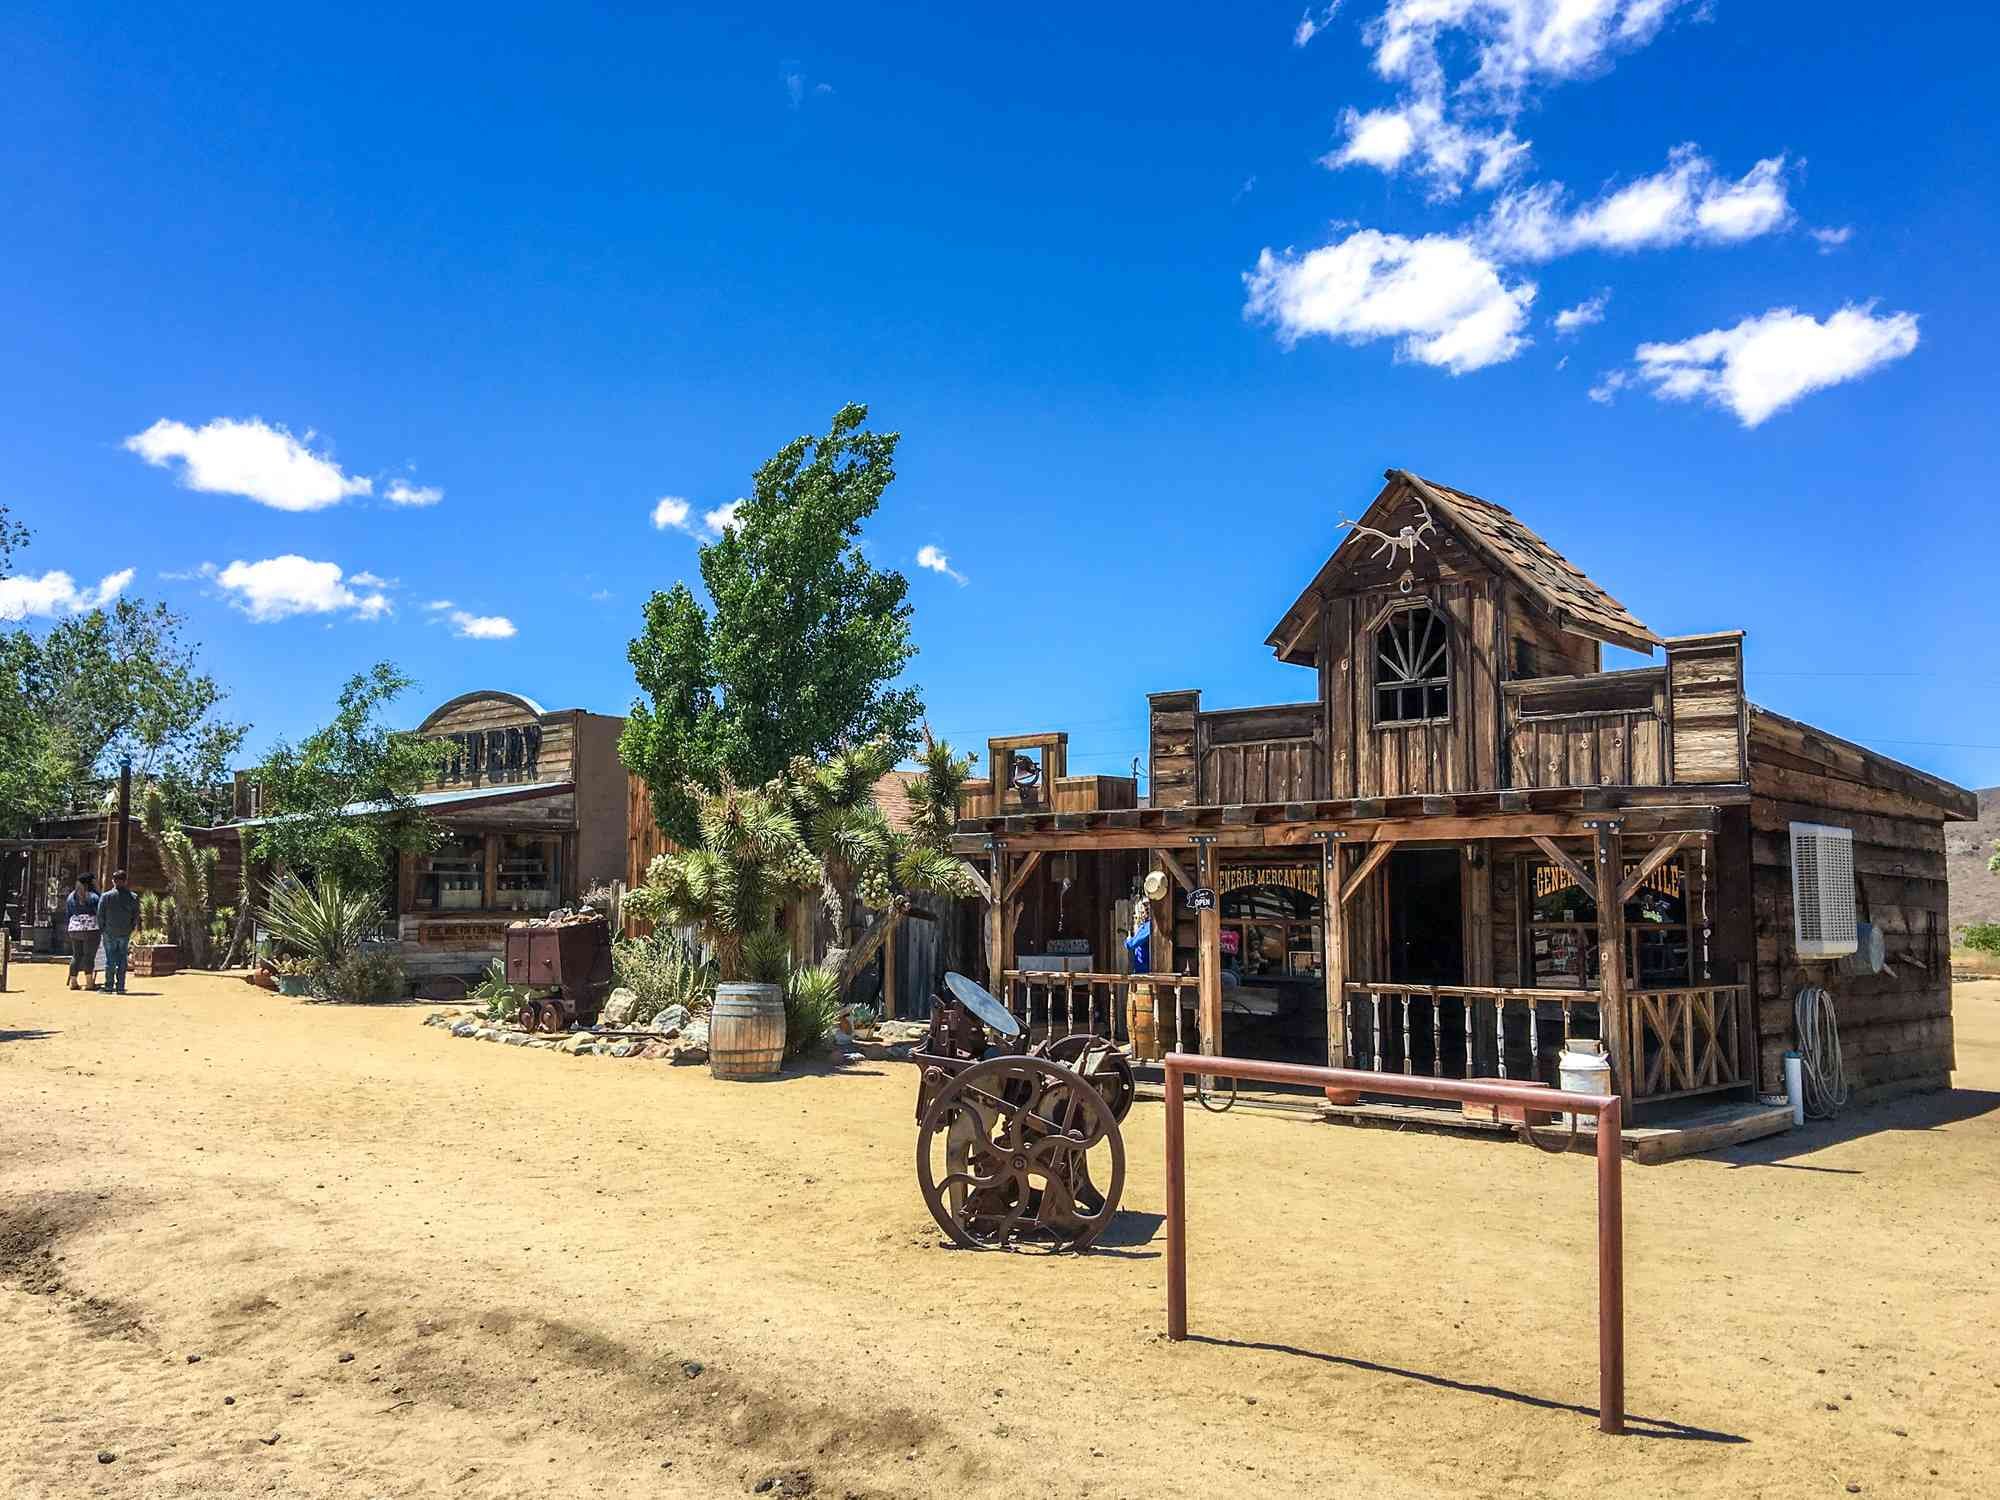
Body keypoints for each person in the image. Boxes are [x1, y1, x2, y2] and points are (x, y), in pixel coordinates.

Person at [97, 868, 140, 996]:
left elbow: (100, 915)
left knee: (110, 959)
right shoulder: (133, 897)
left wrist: (103, 928)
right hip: (124, 932)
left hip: (109, 931)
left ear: (113, 881)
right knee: (122, 959)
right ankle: (120, 986)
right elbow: (135, 915)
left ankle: (109, 986)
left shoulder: (106, 897)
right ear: (125, 881)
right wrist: (131, 928)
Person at [64, 872, 101, 991]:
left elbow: (68, 914)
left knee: (76, 955)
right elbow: (99, 912)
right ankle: (89, 983)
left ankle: (73, 982)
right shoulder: (94, 896)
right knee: (89, 956)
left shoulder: (71, 896)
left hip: (74, 928)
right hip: (91, 929)